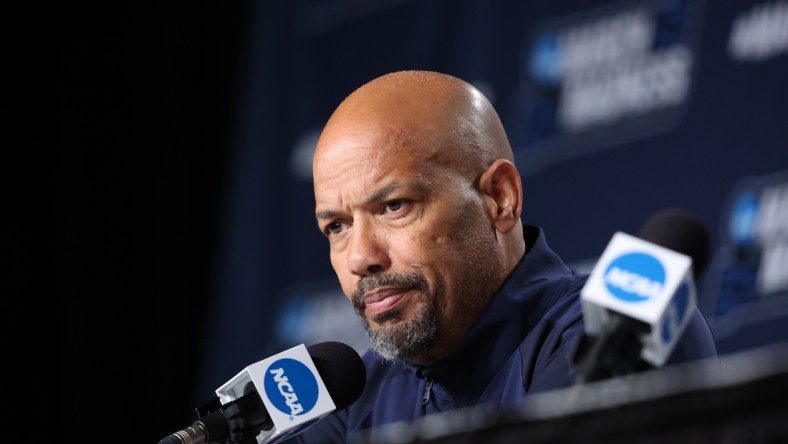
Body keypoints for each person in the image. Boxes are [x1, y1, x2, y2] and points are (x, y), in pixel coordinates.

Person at [292, 70, 718, 443]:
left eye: (394, 206)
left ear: (500, 198)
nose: (360, 257)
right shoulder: (357, 395)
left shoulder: (613, 334)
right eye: (337, 227)